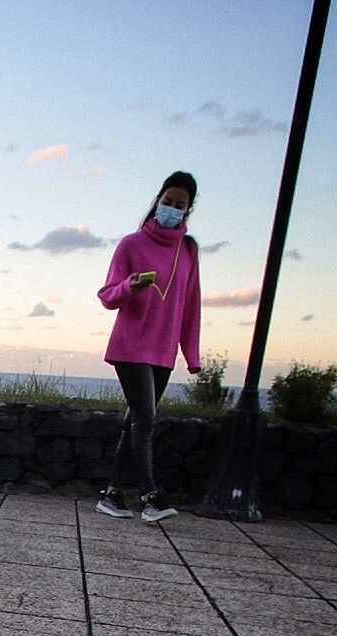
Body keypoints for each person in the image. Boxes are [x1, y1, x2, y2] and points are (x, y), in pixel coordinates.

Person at [95, 170, 203, 523]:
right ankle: (149, 495)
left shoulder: (188, 251)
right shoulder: (131, 244)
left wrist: (192, 354)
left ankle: (111, 495)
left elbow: (191, 305)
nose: (172, 208)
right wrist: (130, 287)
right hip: (130, 346)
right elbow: (108, 295)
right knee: (145, 419)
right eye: (168, 202)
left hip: (163, 350)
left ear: (188, 210)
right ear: (158, 200)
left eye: (180, 205)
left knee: (134, 423)